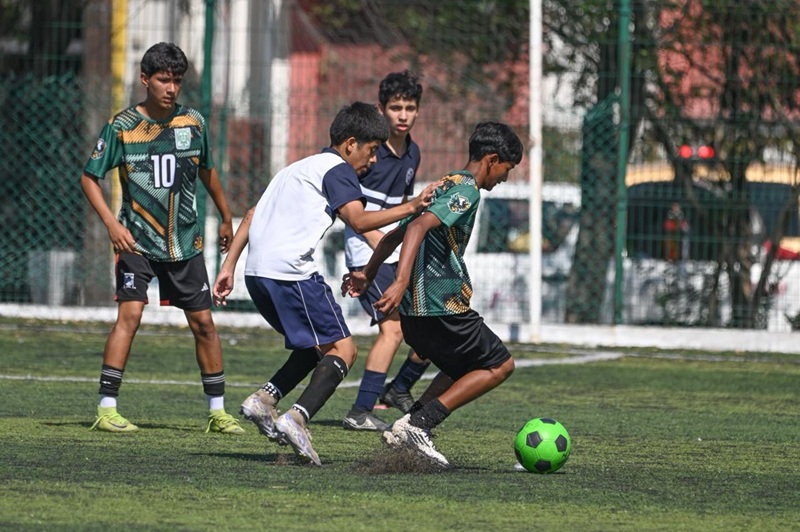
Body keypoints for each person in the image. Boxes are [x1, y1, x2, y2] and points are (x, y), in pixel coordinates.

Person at [211, 102, 438, 466]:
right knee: (345, 350)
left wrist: (229, 266)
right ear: (350, 144)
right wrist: (412, 207)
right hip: (290, 273)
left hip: (257, 275)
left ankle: (264, 399)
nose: (374, 160)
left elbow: (252, 215)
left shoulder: (296, 167)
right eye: (372, 150)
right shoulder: (338, 169)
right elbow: (359, 220)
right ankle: (297, 418)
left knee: (316, 346)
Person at [81, 42, 243, 435]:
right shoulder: (121, 126)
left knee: (204, 324)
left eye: (177, 81)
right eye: (163, 80)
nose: (171, 88)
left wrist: (225, 217)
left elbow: (207, 171)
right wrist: (112, 225)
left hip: (183, 241)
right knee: (131, 315)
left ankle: (218, 412)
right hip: (135, 241)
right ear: (145, 80)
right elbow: (89, 178)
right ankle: (106, 409)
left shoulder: (193, 122)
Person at [342, 121, 523, 468]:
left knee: (461, 366)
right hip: (440, 305)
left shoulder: (444, 184)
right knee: (500, 365)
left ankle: (408, 424)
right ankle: (420, 425)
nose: (505, 177)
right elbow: (419, 226)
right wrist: (398, 281)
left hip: (415, 313)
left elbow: (395, 234)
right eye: (507, 168)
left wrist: (368, 273)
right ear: (491, 159)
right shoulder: (466, 190)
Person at [341, 71, 431, 432]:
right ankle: (361, 411)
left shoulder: (413, 153)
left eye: (410, 108)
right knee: (392, 330)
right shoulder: (367, 153)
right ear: (381, 110)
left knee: (430, 325)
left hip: (395, 250)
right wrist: (378, 243)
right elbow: (350, 211)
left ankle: (400, 388)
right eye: (396, 108)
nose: (403, 115)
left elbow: (403, 207)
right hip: (366, 253)